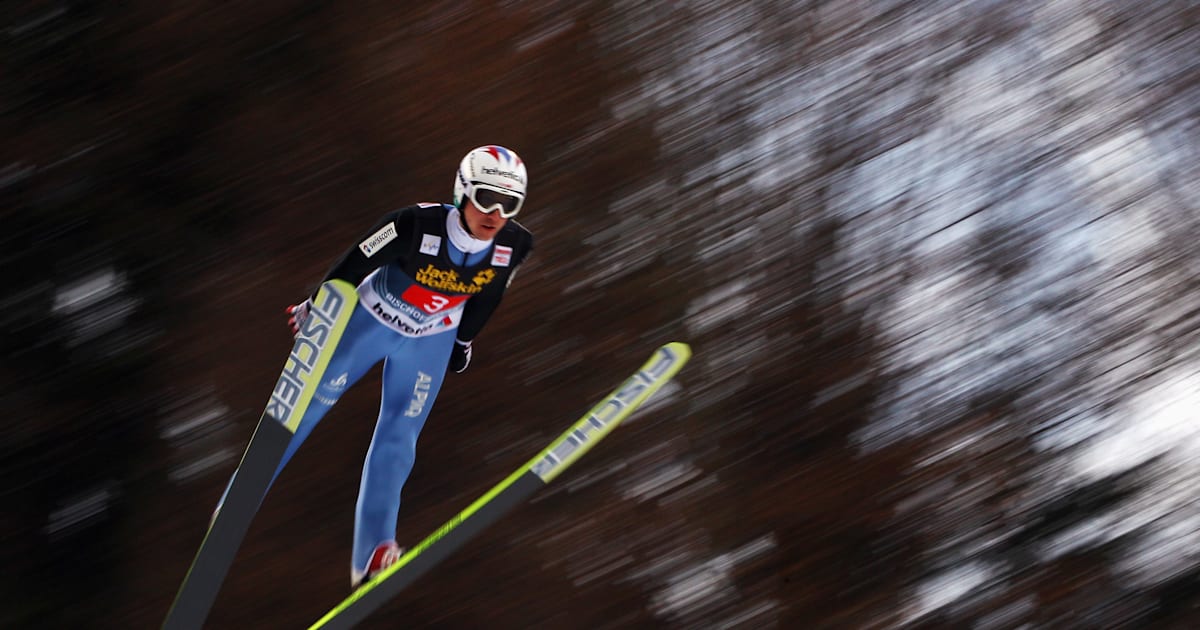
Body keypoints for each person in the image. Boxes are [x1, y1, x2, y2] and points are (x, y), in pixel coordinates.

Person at [269, 145, 533, 587]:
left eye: (509, 204)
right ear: (462, 193)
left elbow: (490, 293)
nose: (494, 212)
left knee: (400, 435)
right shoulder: (414, 224)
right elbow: (356, 260)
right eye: (486, 197)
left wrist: (465, 340)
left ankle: (373, 550)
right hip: (371, 320)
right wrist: (320, 303)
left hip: (431, 337)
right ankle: (247, 490)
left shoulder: (515, 244)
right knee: (314, 398)